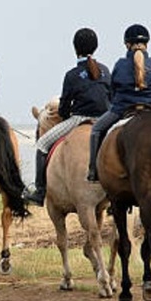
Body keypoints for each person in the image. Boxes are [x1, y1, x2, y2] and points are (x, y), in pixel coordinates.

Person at [22, 28, 112, 206]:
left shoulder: (72, 75)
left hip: (79, 119)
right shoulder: (105, 71)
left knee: (41, 145)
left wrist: (66, 113)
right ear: (96, 47)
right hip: (104, 120)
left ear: (75, 48)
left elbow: (63, 109)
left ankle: (40, 191)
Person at [86, 24, 151, 182]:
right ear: (147, 43)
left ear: (127, 44)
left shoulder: (120, 64)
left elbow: (113, 92)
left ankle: (93, 172)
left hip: (123, 109)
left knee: (96, 130)